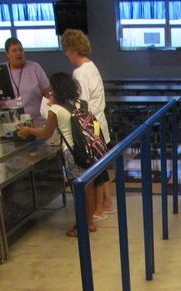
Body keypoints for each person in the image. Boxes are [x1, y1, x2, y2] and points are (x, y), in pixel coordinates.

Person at [17, 72, 97, 238]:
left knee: (78, 192)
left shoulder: (54, 110)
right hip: (87, 150)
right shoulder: (80, 104)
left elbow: (47, 133)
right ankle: (90, 222)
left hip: (71, 155)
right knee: (89, 188)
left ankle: (80, 226)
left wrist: (28, 130)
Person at [60, 29, 114, 220]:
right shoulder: (92, 66)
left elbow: (80, 105)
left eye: (66, 50)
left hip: (90, 126)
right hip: (99, 123)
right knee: (102, 165)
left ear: (73, 49)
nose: (66, 54)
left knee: (95, 170)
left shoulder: (80, 72)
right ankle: (107, 202)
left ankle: (99, 207)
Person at [3, 37, 51, 120]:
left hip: (36, 119)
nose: (19, 53)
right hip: (10, 120)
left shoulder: (35, 67)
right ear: (7, 54)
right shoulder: (2, 70)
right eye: (14, 51)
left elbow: (47, 92)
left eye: (21, 50)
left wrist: (48, 114)